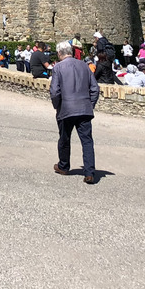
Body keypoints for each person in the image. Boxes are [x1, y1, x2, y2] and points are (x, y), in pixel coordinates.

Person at [50, 40, 99, 184]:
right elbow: (95, 89)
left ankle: (64, 166)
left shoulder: (58, 67)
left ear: (59, 53)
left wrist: (57, 106)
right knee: (87, 141)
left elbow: (54, 91)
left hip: (66, 109)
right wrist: (90, 104)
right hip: (84, 109)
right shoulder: (84, 66)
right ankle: (89, 172)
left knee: (64, 139)